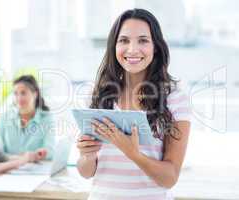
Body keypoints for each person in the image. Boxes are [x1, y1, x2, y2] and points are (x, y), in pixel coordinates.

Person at [76, 8, 191, 199]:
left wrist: (133, 153)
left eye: (143, 40)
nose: (132, 49)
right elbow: (86, 172)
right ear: (114, 46)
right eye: (124, 40)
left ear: (156, 46)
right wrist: (86, 155)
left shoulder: (174, 97)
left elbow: (169, 178)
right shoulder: (97, 94)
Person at [0, 75, 55, 159]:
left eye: (23, 93)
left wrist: (41, 154)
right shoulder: (5, 117)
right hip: (10, 167)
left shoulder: (46, 118)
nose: (19, 98)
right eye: (15, 93)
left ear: (35, 94)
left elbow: (50, 151)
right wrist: (19, 159)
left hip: (37, 168)